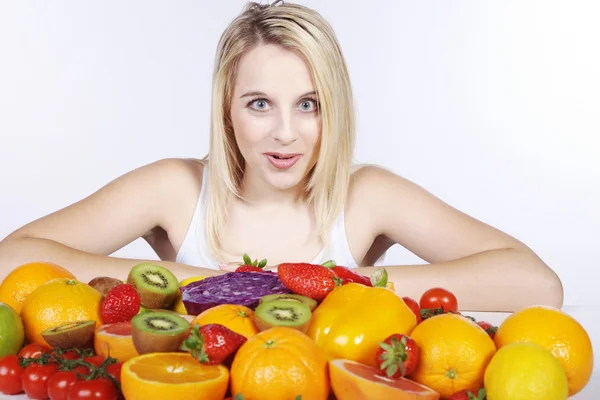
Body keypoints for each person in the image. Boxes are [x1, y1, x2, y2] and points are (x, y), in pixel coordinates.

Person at [0, 1, 563, 312]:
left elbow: (537, 285)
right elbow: (10, 260)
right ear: (228, 107)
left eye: (309, 105)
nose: (286, 133)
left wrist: (346, 283)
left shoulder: (365, 195)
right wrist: (185, 281)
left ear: (334, 108)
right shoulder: (173, 189)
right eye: (260, 103)